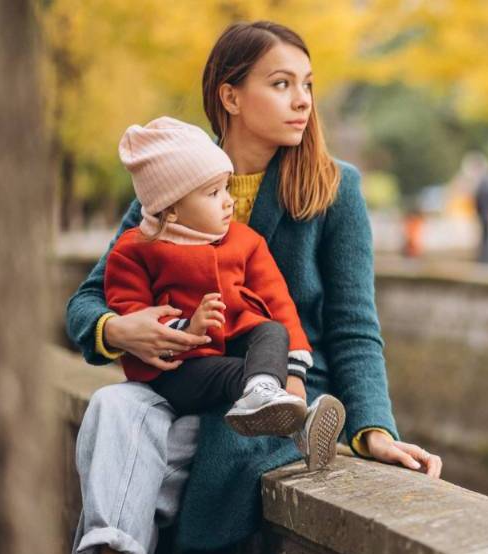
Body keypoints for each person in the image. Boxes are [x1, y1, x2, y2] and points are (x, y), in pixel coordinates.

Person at [64, 21, 442, 554]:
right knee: (112, 411)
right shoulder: (169, 180)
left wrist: (375, 427)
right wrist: (118, 329)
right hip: (181, 384)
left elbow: (354, 323)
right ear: (230, 95)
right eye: (281, 83)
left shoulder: (335, 188)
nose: (303, 100)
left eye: (308, 85)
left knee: (124, 456)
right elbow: (86, 302)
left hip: (271, 400)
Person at [107, 116, 331, 444]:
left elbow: (277, 300)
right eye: (213, 193)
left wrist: (295, 370)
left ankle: (276, 402)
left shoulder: (245, 240)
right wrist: (187, 329)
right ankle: (292, 418)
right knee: (244, 375)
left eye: (226, 187)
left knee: (272, 333)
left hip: (233, 348)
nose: (229, 200)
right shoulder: (136, 250)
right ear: (170, 210)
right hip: (179, 371)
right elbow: (130, 312)